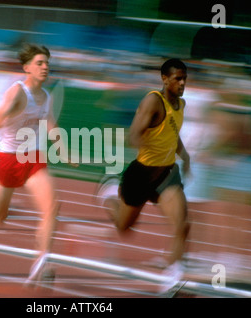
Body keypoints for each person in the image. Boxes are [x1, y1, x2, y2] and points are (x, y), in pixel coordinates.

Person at [97, 58, 191, 292]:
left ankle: (172, 283)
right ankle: (108, 195)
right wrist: (145, 145)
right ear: (164, 79)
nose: (182, 83)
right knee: (124, 228)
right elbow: (133, 136)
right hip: (140, 174)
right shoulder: (152, 101)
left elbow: (172, 133)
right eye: (177, 78)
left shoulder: (181, 104)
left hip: (166, 175)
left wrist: (185, 155)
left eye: (184, 79)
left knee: (182, 225)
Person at [0, 43, 68, 284]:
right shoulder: (18, 92)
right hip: (8, 159)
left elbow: (50, 124)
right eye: (40, 63)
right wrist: (1, 117)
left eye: (47, 63)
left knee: (52, 206)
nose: (45, 67)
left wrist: (64, 150)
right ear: (27, 68)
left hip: (33, 158)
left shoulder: (46, 96)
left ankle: (41, 261)